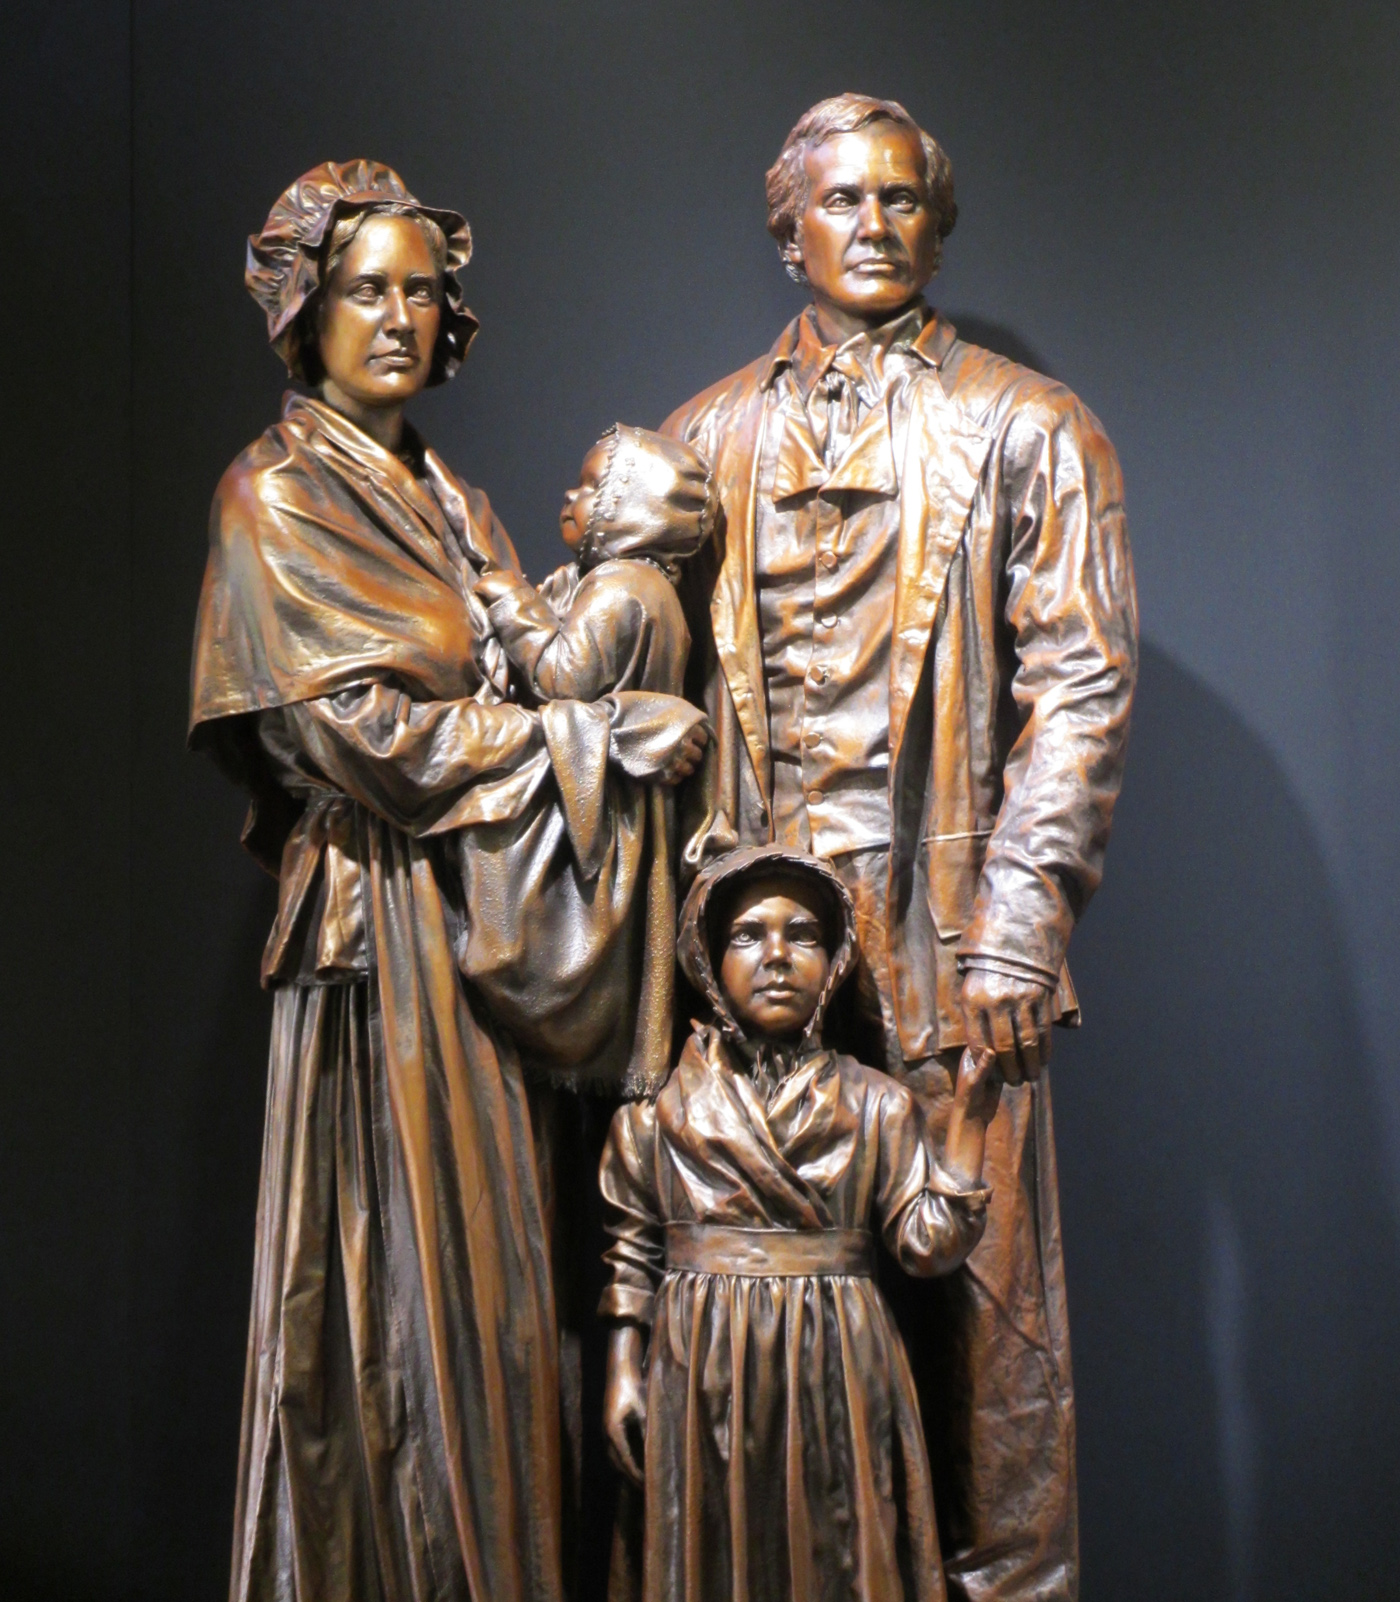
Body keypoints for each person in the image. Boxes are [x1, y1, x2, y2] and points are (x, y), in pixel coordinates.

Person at [188, 160, 704, 1602]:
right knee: (389, 1298)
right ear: (307, 311)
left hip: (491, 923)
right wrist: (590, 738)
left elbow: (524, 667)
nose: (399, 317)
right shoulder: (275, 495)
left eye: (421, 290)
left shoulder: (453, 497)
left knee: (500, 1298)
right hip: (382, 935)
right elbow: (353, 734)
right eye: (367, 289)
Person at [663, 95, 1138, 1600]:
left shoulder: (1028, 425)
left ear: (936, 224)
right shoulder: (702, 440)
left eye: (899, 199)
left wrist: (1021, 922)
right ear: (785, 227)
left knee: (983, 1331)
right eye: (840, 199)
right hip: (751, 937)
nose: (871, 225)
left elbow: (1079, 685)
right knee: (758, 1319)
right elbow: (639, 678)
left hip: (947, 930)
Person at [598, 845, 1000, 1602]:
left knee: (836, 1552)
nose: (777, 956)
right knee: (712, 1551)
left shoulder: (877, 1105)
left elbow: (927, 1245)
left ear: (836, 959)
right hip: (701, 1362)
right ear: (709, 959)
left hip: (837, 1362)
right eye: (748, 935)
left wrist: (971, 1120)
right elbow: (631, 1250)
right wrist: (623, 1365)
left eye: (804, 934)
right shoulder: (659, 1117)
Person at [474, 423, 715, 704]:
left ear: (636, 508)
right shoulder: (635, 580)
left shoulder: (623, 584)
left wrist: (512, 600)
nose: (570, 494)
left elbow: (563, 681)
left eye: (594, 486)